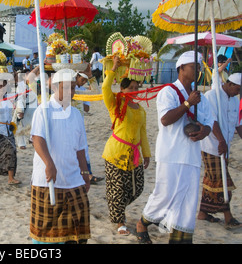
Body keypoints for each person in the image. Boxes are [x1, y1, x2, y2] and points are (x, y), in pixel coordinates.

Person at [136, 50, 213, 244]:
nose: (197, 70)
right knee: (165, 194)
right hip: (171, 152)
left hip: (192, 154)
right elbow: (165, 119)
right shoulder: (168, 91)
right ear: (181, 68)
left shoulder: (199, 95)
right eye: (193, 67)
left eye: (198, 67)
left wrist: (205, 131)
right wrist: (188, 103)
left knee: (188, 199)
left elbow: (208, 121)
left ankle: (180, 239)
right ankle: (143, 222)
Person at [30, 69, 91, 244]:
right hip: (48, 180)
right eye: (67, 88)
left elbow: (80, 148)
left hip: (73, 180)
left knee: (78, 232)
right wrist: (49, 163)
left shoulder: (77, 114)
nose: (71, 92)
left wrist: (85, 173)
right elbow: (37, 139)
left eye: (73, 88)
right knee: (47, 236)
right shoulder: (43, 110)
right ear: (56, 88)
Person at [102, 56, 151, 236]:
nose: (134, 91)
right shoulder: (116, 104)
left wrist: (147, 154)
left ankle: (117, 207)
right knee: (117, 189)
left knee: (137, 188)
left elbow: (143, 133)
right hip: (115, 153)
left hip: (134, 155)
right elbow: (106, 88)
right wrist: (113, 68)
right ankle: (120, 221)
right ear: (122, 89)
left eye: (136, 88)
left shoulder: (141, 109)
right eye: (130, 88)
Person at [198, 73, 242, 229]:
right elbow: (212, 120)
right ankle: (228, 216)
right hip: (211, 145)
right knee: (222, 181)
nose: (238, 92)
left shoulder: (235, 100)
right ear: (229, 84)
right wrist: (221, 141)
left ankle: (203, 212)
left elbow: (238, 123)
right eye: (237, 89)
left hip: (225, 147)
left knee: (211, 179)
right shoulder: (212, 96)